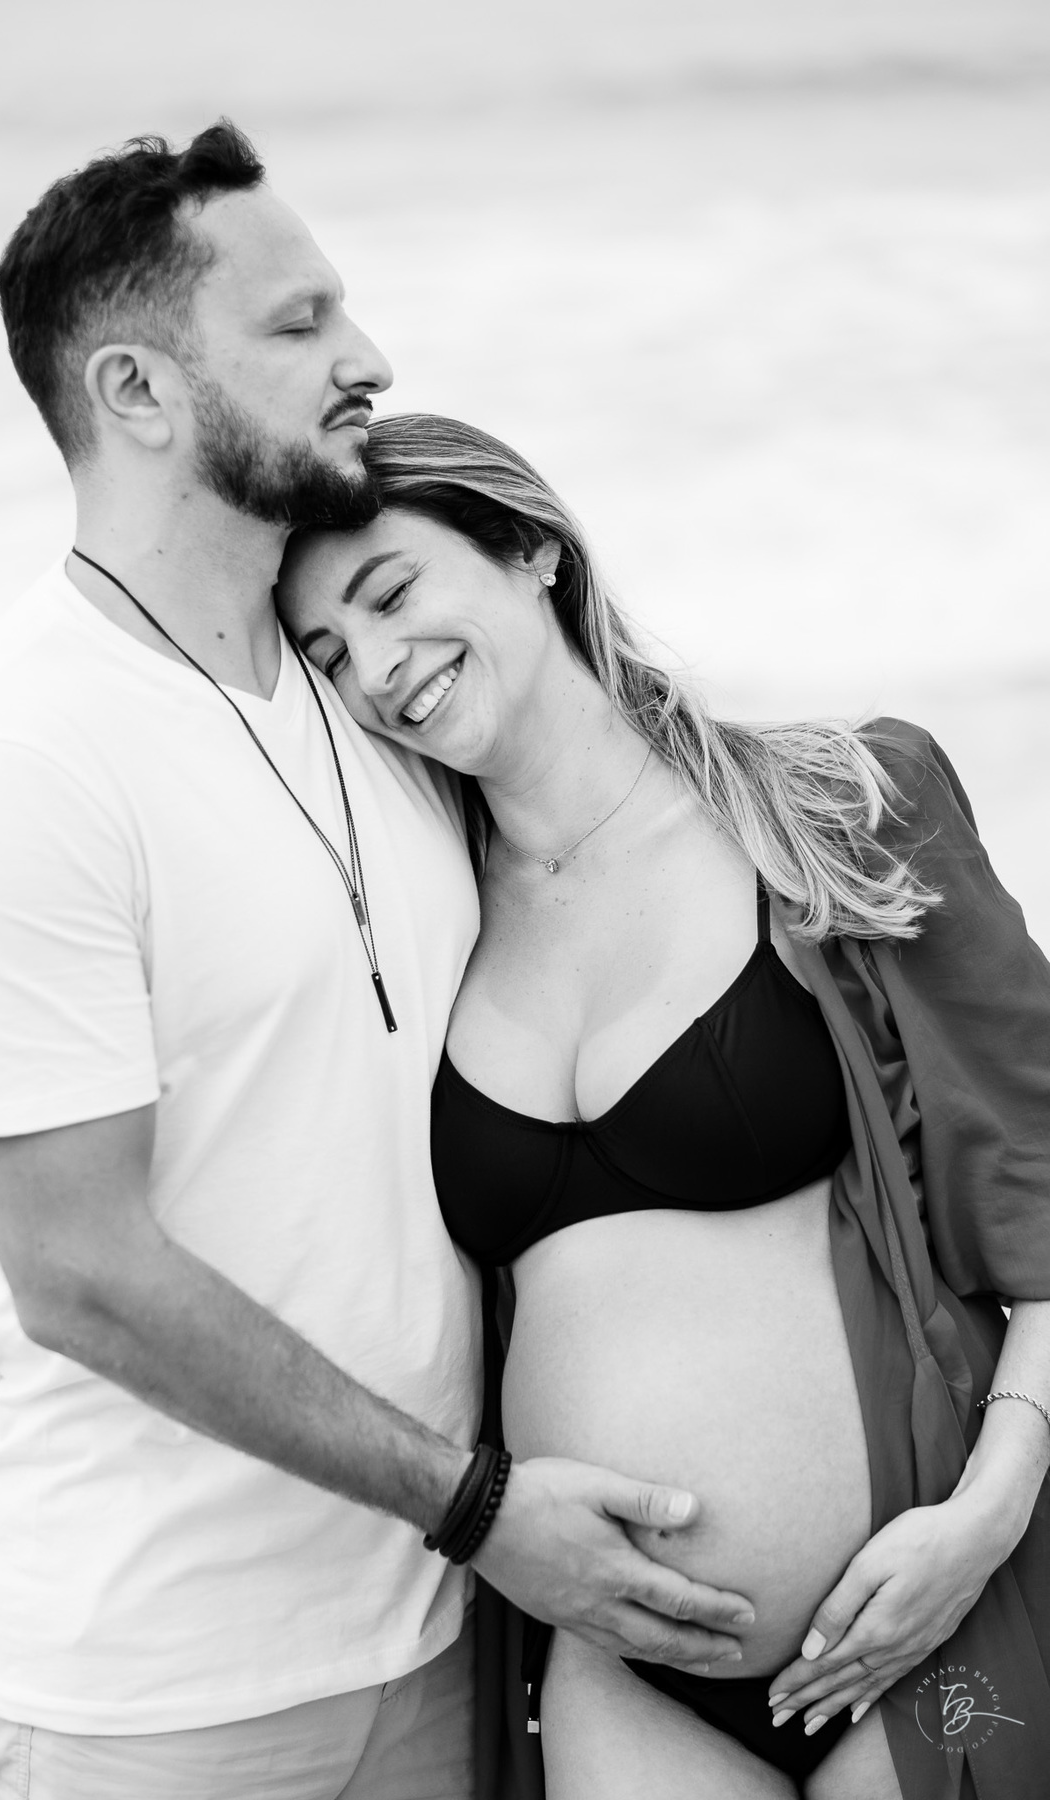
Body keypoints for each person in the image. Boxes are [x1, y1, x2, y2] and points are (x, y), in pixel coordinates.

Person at [0, 128, 755, 1799]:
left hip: (428, 1639)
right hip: (150, 1697)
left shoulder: (369, 688)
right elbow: (82, 1274)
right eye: (299, 324)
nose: (371, 361)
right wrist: (481, 1507)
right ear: (137, 389)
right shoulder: (14, 760)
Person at [275, 411, 1050, 1800]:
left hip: (909, 1625)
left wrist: (986, 1520)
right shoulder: (416, 920)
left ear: (528, 551)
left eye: (391, 594)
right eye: (326, 655)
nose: (378, 671)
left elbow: (1048, 1205)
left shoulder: (841, 804)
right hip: (617, 1683)